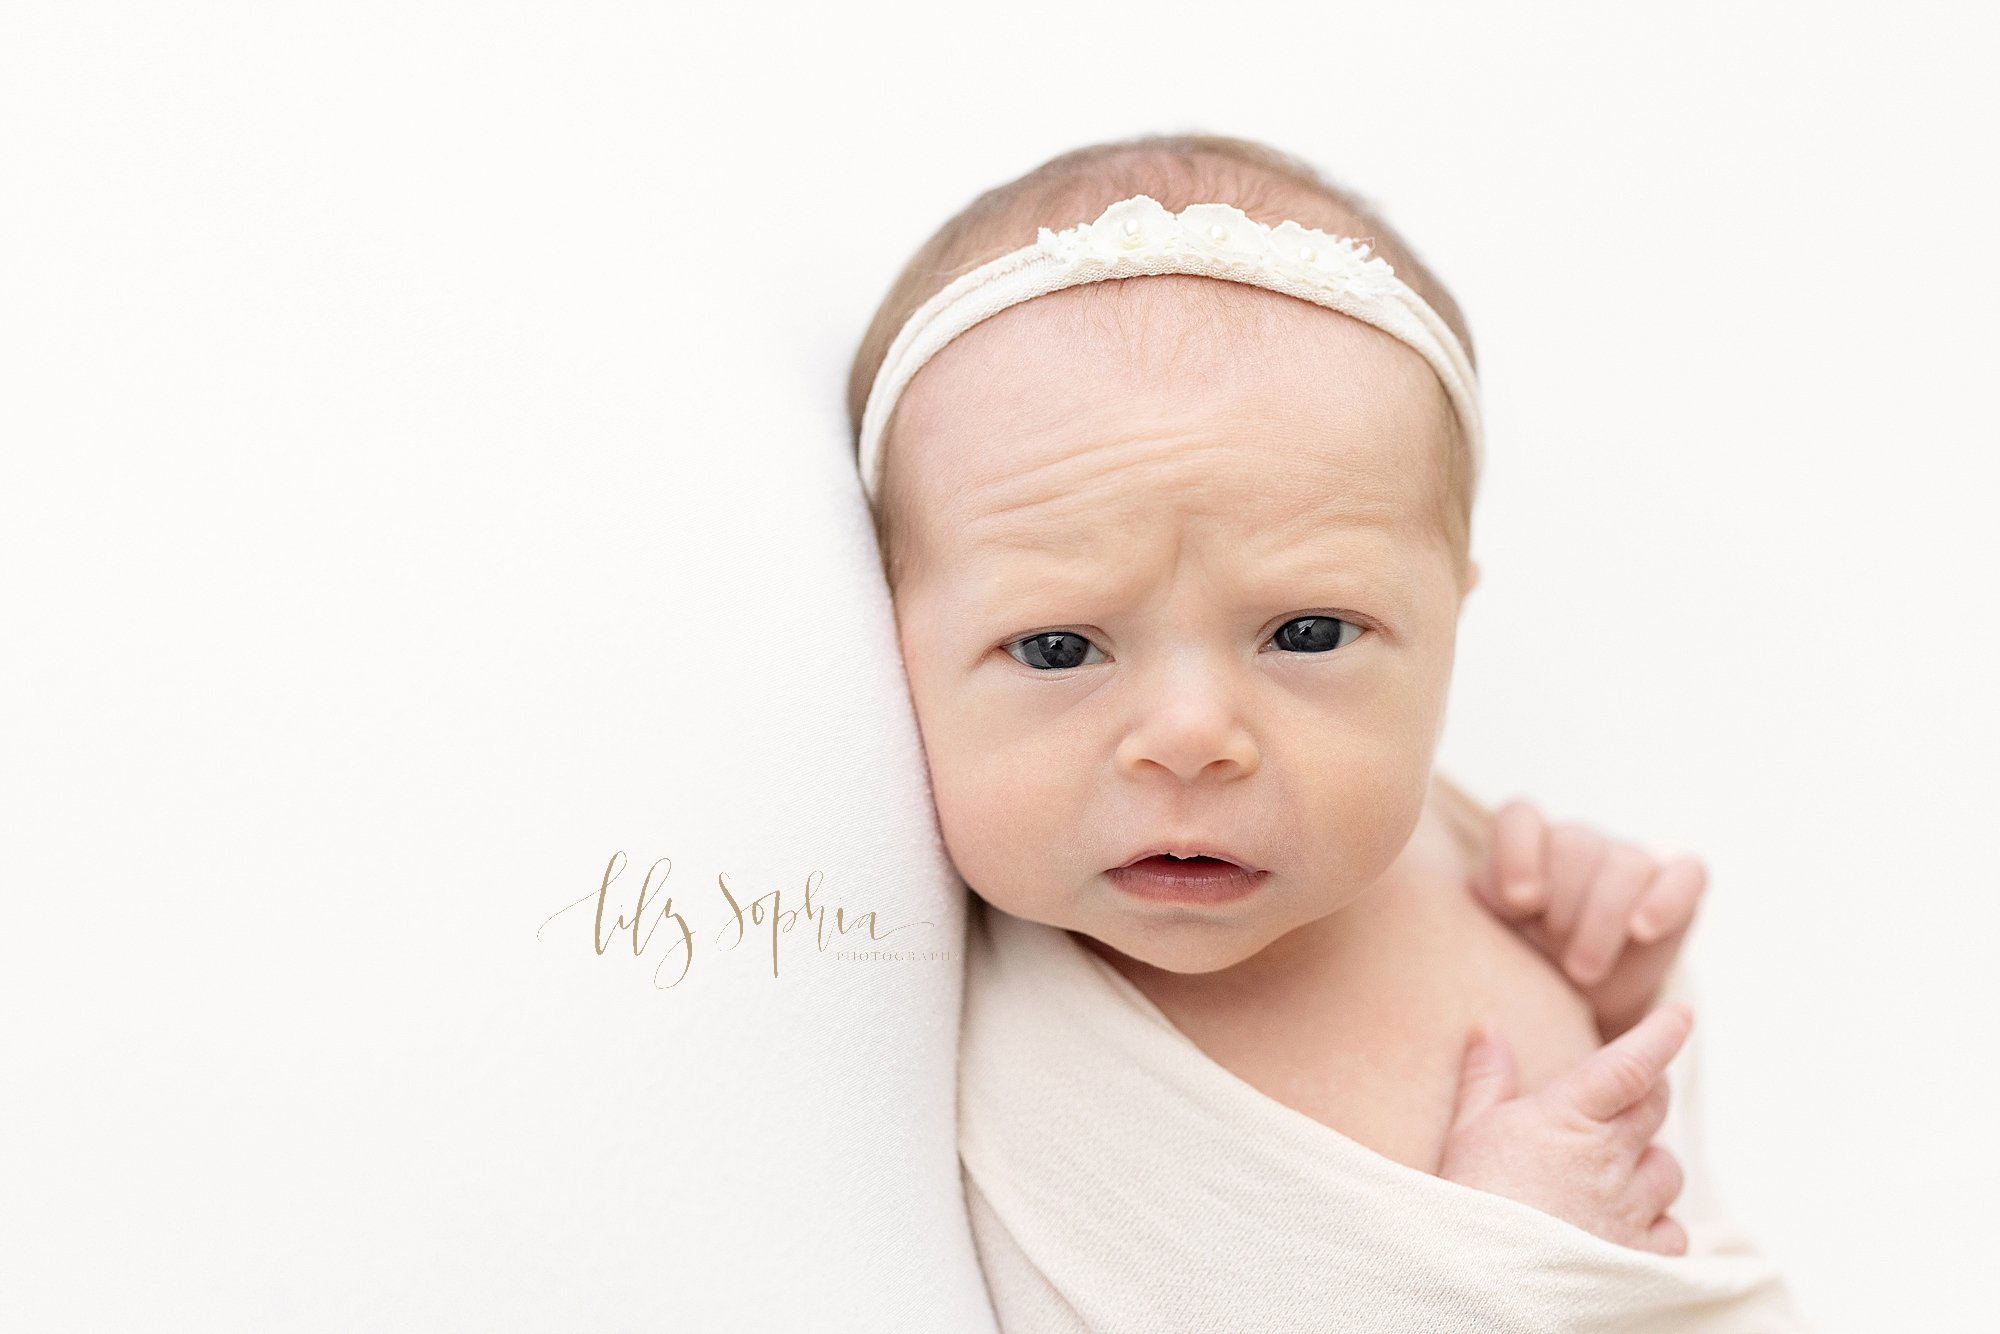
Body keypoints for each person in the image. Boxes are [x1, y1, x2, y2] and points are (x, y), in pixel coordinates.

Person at [847, 131, 1807, 1330]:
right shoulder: (934, 1006)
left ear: (1447, 620)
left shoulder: (1474, 865)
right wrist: (1501, 1272)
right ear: (887, 639)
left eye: (1305, 633)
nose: (1192, 736)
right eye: (1057, 647)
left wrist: (1600, 1002)